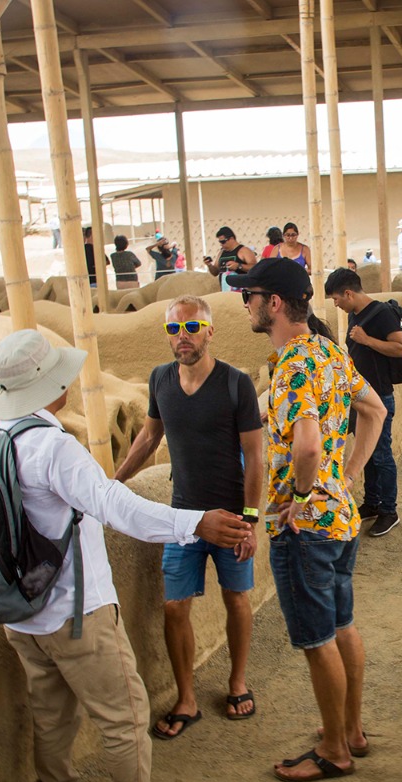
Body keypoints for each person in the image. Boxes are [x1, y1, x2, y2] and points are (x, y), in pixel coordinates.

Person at [0, 329, 252, 782]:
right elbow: (115, 507)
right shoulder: (52, 447)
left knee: (51, 714)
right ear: (50, 385)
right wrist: (197, 523)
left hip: (19, 613)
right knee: (124, 716)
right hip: (74, 612)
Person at [228, 258, 387, 782]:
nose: (245, 303)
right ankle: (352, 732)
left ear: (274, 303)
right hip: (339, 518)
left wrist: (300, 494)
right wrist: (343, 479)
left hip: (305, 528)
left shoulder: (294, 364)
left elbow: (308, 444)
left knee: (318, 640)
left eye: (249, 295)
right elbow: (375, 412)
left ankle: (335, 752)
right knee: (343, 626)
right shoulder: (328, 352)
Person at [114, 296, 265, 737]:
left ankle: (237, 681)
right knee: (175, 607)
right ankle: (187, 697)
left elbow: (255, 457)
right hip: (182, 517)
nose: (183, 337)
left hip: (232, 516)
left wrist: (251, 520)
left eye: (192, 328)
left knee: (236, 599)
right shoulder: (160, 379)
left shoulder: (235, 384)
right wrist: (114, 482)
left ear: (210, 331)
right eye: (174, 330)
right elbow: (148, 437)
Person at [325, 266, 402, 537]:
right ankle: (372, 503)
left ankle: (389, 511)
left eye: (337, 298)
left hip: (378, 396)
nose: (336, 304)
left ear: (348, 293)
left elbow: (401, 348)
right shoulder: (355, 315)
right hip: (358, 396)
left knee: (381, 455)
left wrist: (367, 340)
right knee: (366, 451)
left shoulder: (381, 314)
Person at [206, 227, 257, 292]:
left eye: (223, 241)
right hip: (224, 291)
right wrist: (209, 265)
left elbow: (255, 268)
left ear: (231, 239)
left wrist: (239, 266)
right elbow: (215, 272)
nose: (221, 244)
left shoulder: (244, 250)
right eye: (220, 242)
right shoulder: (221, 252)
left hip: (240, 291)